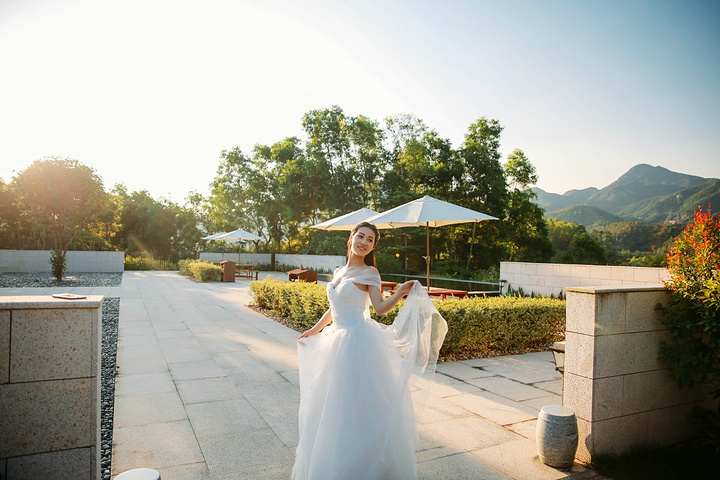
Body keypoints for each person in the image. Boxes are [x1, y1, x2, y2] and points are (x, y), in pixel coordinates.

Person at [292, 221, 448, 480]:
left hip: (357, 343)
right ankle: (335, 460)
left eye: (370, 240)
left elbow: (379, 308)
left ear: (373, 246)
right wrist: (314, 330)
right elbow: (334, 308)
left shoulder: (370, 273)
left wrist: (401, 292)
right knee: (331, 405)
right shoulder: (339, 270)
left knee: (357, 405)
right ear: (351, 237)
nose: (364, 242)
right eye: (361, 236)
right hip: (335, 341)